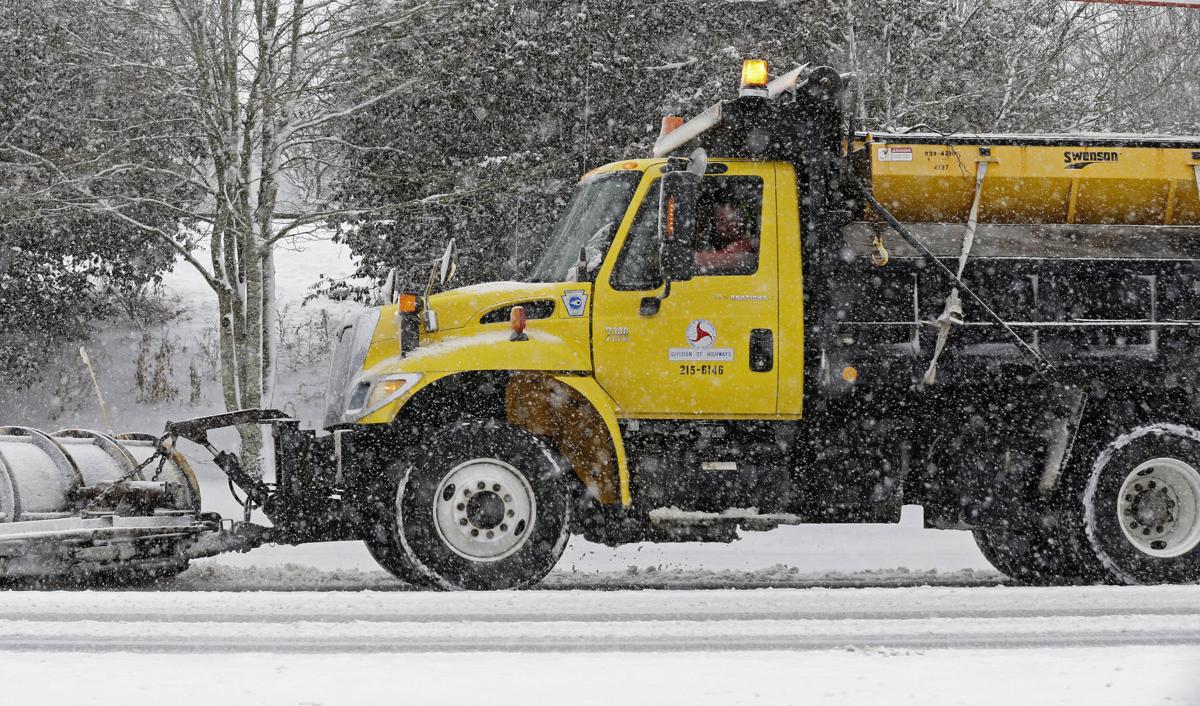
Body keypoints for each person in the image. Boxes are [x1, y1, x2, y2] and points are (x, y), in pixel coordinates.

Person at [694, 201, 756, 274]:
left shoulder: (743, 245)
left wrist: (692, 256)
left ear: (739, 223)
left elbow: (721, 258)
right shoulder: (711, 242)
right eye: (721, 220)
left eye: (731, 221)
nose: (725, 226)